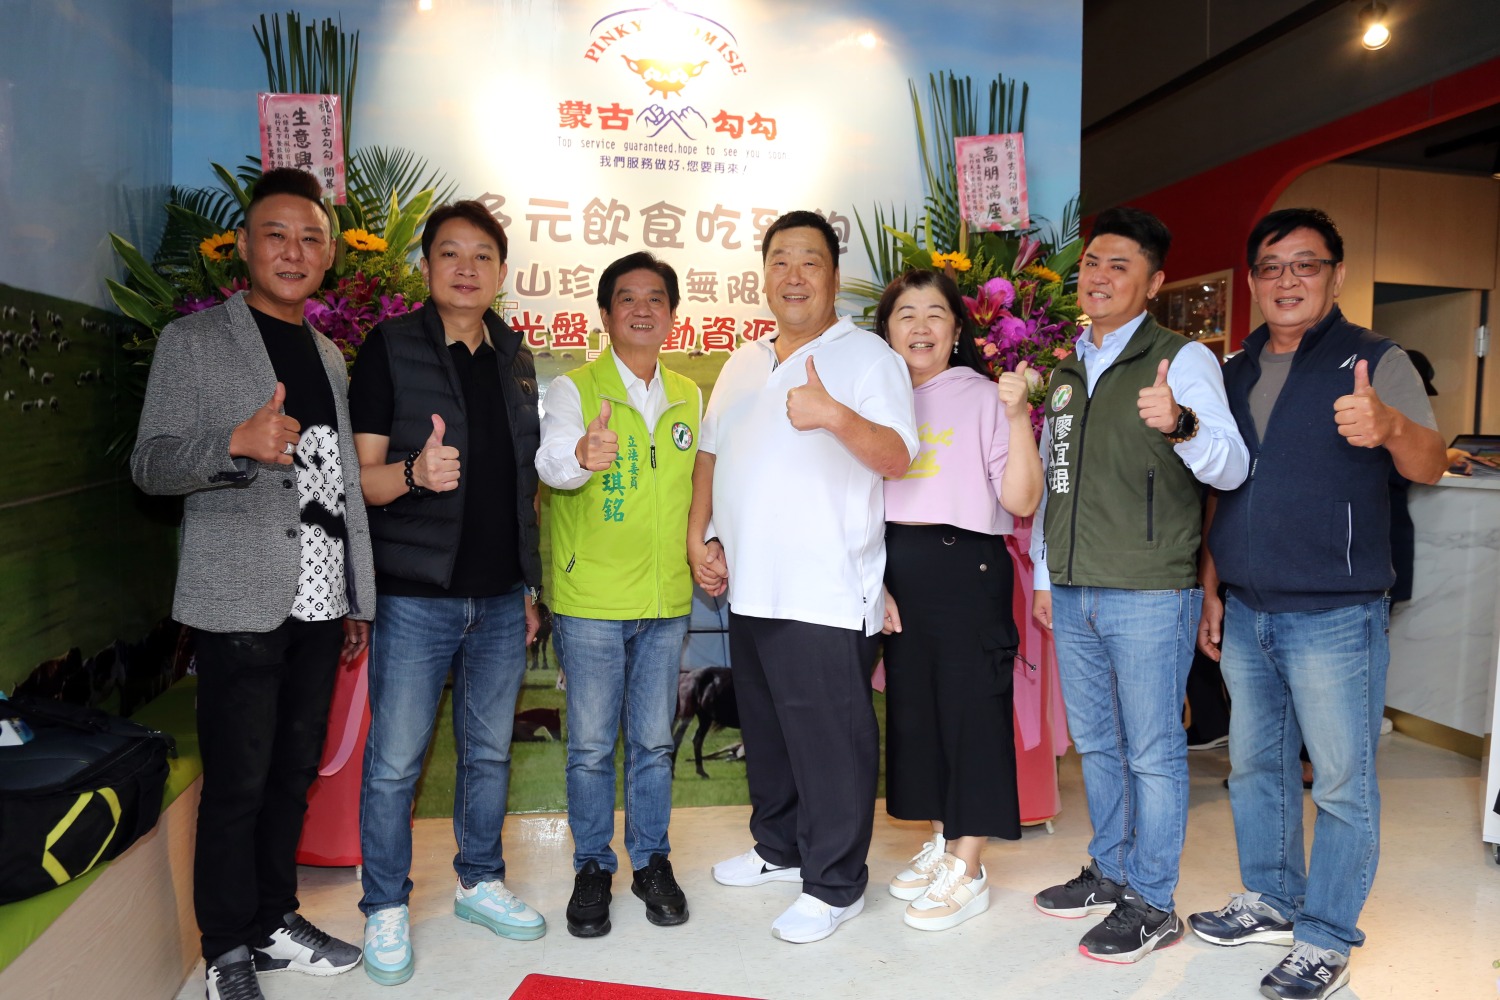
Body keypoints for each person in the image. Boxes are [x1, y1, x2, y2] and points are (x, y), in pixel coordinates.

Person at [130, 167, 375, 1000]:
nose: (293, 252)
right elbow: (150, 464)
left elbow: (338, 484)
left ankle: (274, 919)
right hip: (238, 598)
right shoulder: (193, 343)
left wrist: (353, 594)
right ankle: (227, 947)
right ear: (243, 244)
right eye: (276, 234)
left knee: (292, 774)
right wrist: (234, 443)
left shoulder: (329, 356)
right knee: (238, 782)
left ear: (330, 255)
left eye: (310, 238)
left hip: (321, 601)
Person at [1190, 208, 1446, 1000]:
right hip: (1248, 607)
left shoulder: (1376, 358)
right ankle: (1272, 899)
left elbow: (1432, 463)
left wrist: (1389, 424)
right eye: (1271, 267)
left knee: (1339, 783)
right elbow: (1223, 487)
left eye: (1306, 264)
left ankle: (1325, 937)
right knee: (1256, 767)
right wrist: (1210, 583)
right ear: (1253, 281)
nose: (1287, 280)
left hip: (1336, 613)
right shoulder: (1235, 370)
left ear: (1335, 275)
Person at [688, 210, 918, 944]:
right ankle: (780, 848)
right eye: (780, 261)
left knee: (829, 741)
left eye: (810, 261)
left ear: (834, 277)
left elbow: (897, 456)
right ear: (763, 276)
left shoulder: (868, 358)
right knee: (768, 731)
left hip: (825, 589)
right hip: (751, 585)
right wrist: (700, 533)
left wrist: (833, 415)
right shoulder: (742, 361)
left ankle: (836, 883)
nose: (793, 276)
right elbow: (712, 454)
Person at [1028, 206, 1249, 963]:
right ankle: (1111, 871)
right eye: (1092, 262)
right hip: (1075, 587)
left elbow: (1232, 466)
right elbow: (1057, 480)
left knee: (1152, 751)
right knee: (1096, 743)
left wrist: (1180, 423)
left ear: (1154, 284)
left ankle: (1153, 901)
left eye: (1119, 266)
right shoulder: (1066, 368)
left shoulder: (1181, 360)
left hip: (1151, 590)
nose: (1099, 276)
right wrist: (1045, 573)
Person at [348, 200, 544, 986]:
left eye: (482, 255)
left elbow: (523, 488)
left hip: (499, 598)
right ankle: (384, 905)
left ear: (502, 272)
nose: (467, 268)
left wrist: (527, 586)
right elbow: (359, 481)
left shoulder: (515, 357)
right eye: (450, 253)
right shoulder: (390, 347)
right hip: (416, 596)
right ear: (425, 267)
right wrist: (414, 473)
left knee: (488, 754)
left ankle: (479, 881)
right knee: (396, 762)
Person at [535, 251, 701, 938]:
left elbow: (703, 489)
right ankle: (592, 866)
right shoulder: (574, 389)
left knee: (655, 744)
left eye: (655, 298)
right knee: (591, 748)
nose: (642, 309)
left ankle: (652, 860)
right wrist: (580, 456)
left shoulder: (689, 394)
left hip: (665, 602)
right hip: (592, 602)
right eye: (627, 298)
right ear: (605, 314)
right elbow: (551, 461)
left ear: (672, 315)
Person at [873, 268, 1042, 931]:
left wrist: (1017, 416)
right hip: (897, 570)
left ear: (956, 329)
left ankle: (969, 868)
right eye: (905, 314)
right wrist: (877, 577)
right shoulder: (876, 400)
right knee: (920, 716)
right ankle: (945, 841)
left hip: (966, 567)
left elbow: (1021, 499)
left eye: (935, 314)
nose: (920, 327)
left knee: (972, 713)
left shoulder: (982, 395)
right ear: (886, 329)